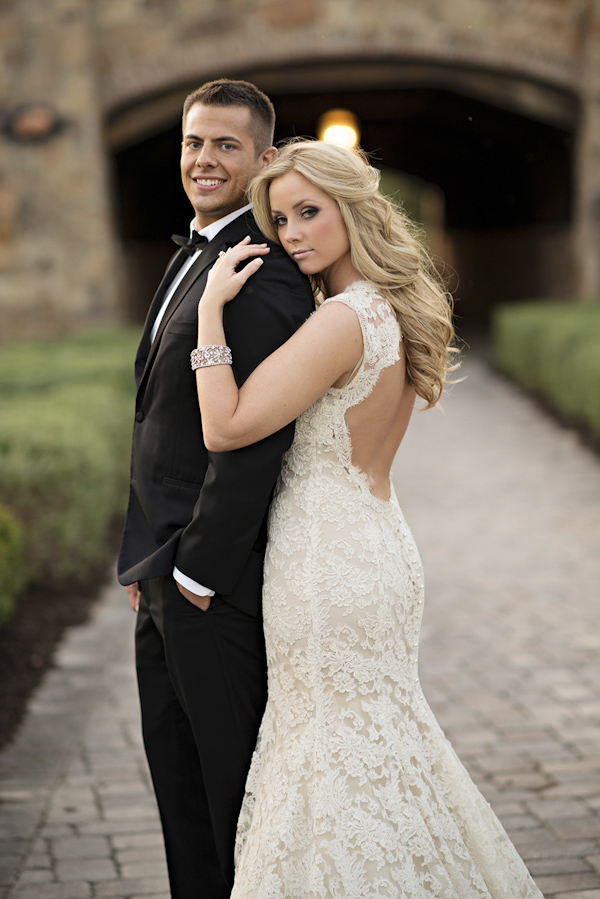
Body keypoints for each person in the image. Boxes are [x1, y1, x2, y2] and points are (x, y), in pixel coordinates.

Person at [192, 139, 544, 898]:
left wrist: (210, 311)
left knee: (326, 753)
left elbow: (226, 425)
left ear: (353, 209)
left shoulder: (340, 323)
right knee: (384, 741)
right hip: (380, 543)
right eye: (280, 218)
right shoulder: (390, 311)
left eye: (309, 213)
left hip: (324, 558)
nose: (291, 235)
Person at [117, 82, 314, 899]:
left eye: (226, 146)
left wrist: (194, 570)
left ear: (264, 159)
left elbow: (253, 443)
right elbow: (156, 430)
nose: (204, 159)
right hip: (159, 572)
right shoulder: (192, 252)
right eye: (196, 142)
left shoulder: (260, 276)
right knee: (180, 795)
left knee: (229, 797)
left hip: (211, 586)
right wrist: (141, 565)